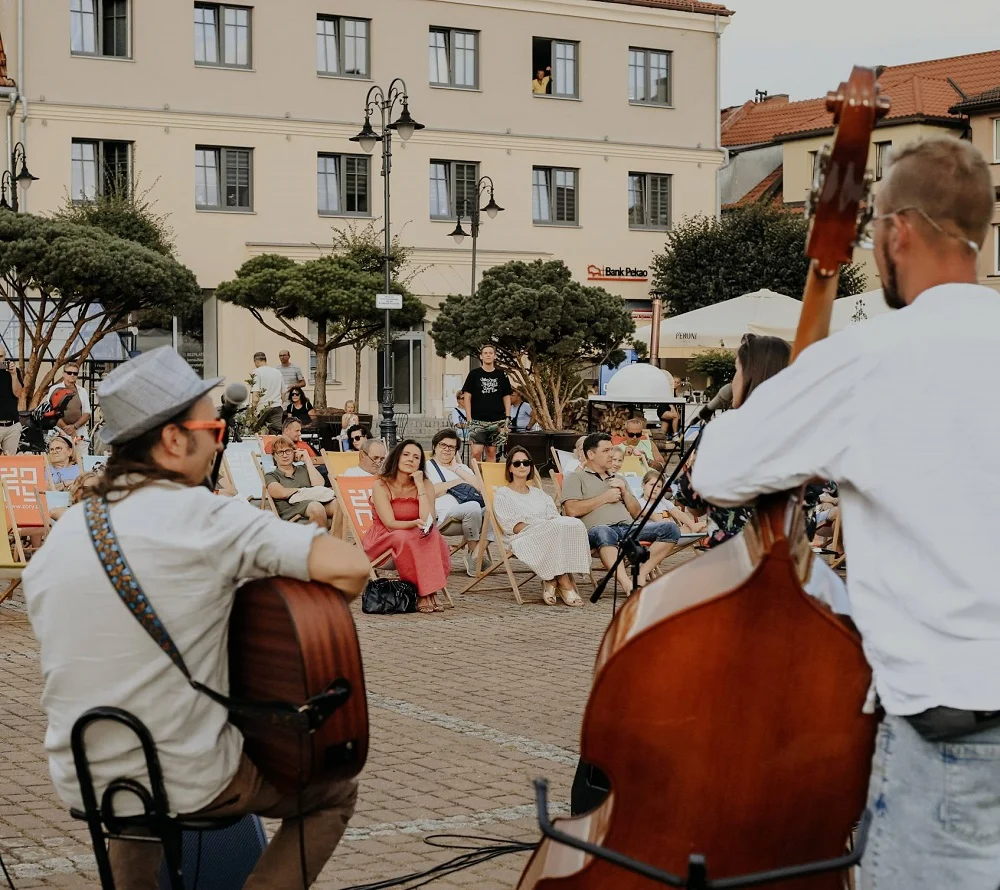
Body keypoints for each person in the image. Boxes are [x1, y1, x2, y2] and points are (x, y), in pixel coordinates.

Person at [691, 138, 1000, 890]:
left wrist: (749, 407)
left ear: (898, 231)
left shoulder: (871, 357)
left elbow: (719, 474)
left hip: (953, 723)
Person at [23, 346, 369, 890]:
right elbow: (351, 569)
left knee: (136, 805)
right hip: (188, 777)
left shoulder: (67, 531)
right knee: (334, 793)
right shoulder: (206, 516)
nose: (217, 442)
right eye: (212, 428)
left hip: (84, 772)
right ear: (173, 439)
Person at [674, 334, 791, 548]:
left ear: (751, 376)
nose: (732, 382)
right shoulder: (809, 432)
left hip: (735, 556)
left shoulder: (725, 430)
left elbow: (694, 505)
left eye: (736, 370)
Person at [561, 433, 680, 593]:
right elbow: (571, 510)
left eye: (611, 449)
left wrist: (625, 492)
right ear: (591, 454)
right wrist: (605, 497)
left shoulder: (619, 478)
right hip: (595, 531)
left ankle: (641, 574)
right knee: (604, 531)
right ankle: (626, 584)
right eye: (606, 450)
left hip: (627, 528)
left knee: (670, 529)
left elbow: (636, 513)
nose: (611, 454)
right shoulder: (576, 477)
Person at [493, 446, 589, 606]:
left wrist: (547, 527)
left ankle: (551, 580)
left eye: (526, 462)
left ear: (531, 466)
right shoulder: (503, 494)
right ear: (509, 468)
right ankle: (562, 580)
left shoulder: (539, 494)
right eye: (517, 463)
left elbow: (554, 517)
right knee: (554, 530)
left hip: (550, 532)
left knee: (575, 523)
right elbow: (513, 526)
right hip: (522, 536)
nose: (522, 466)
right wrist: (543, 527)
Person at [364, 439, 451, 614]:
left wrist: (420, 486)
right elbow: (390, 524)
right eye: (406, 454)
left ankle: (429, 592)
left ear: (420, 464)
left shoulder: (425, 484)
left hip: (415, 537)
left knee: (432, 534)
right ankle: (423, 593)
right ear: (397, 457)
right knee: (405, 536)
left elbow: (428, 520)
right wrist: (414, 523)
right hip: (384, 540)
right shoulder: (380, 485)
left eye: (416, 457)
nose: (411, 459)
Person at [426, 428, 489, 577]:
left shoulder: (462, 468)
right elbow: (430, 492)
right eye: (443, 445)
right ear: (435, 446)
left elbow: (481, 488)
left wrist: (457, 469)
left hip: (472, 517)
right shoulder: (427, 467)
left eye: (452, 447)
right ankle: (474, 553)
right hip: (446, 518)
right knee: (472, 507)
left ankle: (475, 554)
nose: (447, 449)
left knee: (494, 509)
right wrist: (457, 482)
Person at [265, 435, 337, 528]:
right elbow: (280, 492)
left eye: (288, 451)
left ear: (294, 452)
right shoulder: (271, 475)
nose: (285, 455)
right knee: (316, 507)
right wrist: (304, 491)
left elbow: (319, 484)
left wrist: (307, 460)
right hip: (291, 510)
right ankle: (320, 537)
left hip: (315, 502)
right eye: (280, 452)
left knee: (338, 505)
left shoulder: (304, 469)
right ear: (274, 456)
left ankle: (335, 536)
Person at [462, 345, 513, 462]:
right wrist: (469, 418)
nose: (488, 355)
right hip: (477, 420)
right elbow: (467, 396)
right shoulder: (474, 374)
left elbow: (506, 397)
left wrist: (507, 417)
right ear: (481, 356)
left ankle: (489, 474)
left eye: (490, 353)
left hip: (497, 420)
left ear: (495, 356)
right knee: (476, 452)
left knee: (491, 451)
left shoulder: (502, 375)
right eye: (485, 353)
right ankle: (475, 474)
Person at [48, 362, 91, 449]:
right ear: (64, 374)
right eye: (69, 373)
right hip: (59, 431)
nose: (72, 375)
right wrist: (68, 430)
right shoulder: (55, 389)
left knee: (80, 456)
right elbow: (51, 412)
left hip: (79, 431)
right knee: (60, 455)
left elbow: (87, 413)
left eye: (75, 373)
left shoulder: (82, 391)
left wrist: (74, 427)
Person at [251, 352, 284, 434]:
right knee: (276, 434)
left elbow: (256, 395)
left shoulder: (257, 372)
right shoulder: (277, 372)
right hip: (277, 406)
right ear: (265, 360)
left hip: (263, 407)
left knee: (258, 433)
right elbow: (283, 393)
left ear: (256, 361)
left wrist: (253, 409)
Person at [0, 347, 22, 455]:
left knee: (10, 461)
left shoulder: (14, 371)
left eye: (1, 356)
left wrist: (13, 375)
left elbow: (18, 393)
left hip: (12, 424)